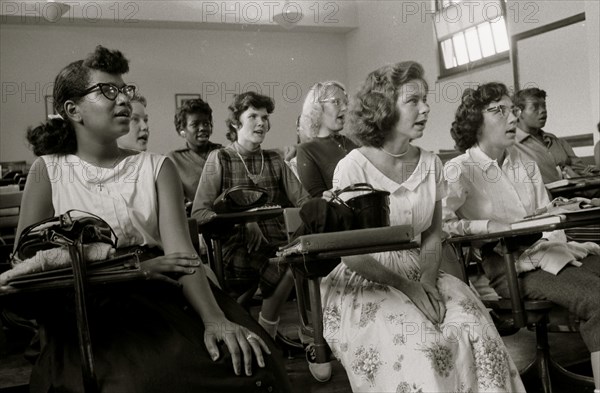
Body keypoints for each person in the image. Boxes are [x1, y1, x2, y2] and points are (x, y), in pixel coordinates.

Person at [18, 45, 292, 393]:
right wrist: (129, 270)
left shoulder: (156, 167)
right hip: (88, 309)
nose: (123, 100)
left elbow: (183, 255)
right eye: (108, 91)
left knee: (257, 362)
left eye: (124, 90)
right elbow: (26, 269)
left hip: (162, 295)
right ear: (74, 110)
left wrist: (214, 318)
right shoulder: (48, 170)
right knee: (141, 381)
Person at [320, 62, 525, 392]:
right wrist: (408, 287)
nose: (426, 108)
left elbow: (432, 233)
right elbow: (351, 256)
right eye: (413, 100)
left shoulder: (431, 163)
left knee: (475, 329)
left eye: (425, 99)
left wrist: (427, 280)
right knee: (420, 346)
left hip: (423, 268)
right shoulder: (352, 167)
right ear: (384, 107)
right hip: (368, 276)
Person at [443, 82, 600, 391]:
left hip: (550, 251)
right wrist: (485, 227)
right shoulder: (459, 169)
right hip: (509, 267)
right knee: (596, 298)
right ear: (476, 121)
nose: (512, 117)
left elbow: (547, 216)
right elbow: (442, 224)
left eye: (512, 109)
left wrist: (561, 234)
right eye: (499, 111)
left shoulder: (525, 165)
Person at [191, 92, 310, 343]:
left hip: (277, 242)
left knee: (301, 255)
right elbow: (200, 214)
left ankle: (269, 331)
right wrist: (246, 220)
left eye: (265, 117)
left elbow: (305, 203)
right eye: (252, 116)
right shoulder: (220, 158)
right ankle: (267, 332)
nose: (261, 123)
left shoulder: (275, 159)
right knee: (290, 261)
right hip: (236, 246)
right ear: (236, 123)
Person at [513, 87, 598, 183]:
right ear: (517, 112)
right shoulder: (512, 145)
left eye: (544, 106)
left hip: (576, 193)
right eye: (535, 107)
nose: (543, 111)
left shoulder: (555, 140)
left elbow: (582, 170)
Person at [296, 81, 357, 196]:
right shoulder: (307, 150)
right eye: (336, 102)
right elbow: (318, 199)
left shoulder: (355, 142)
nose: (344, 108)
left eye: (346, 102)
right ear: (317, 107)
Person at [167, 98, 223, 202]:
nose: (202, 128)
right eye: (195, 124)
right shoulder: (173, 159)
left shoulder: (224, 153)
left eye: (206, 123)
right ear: (182, 130)